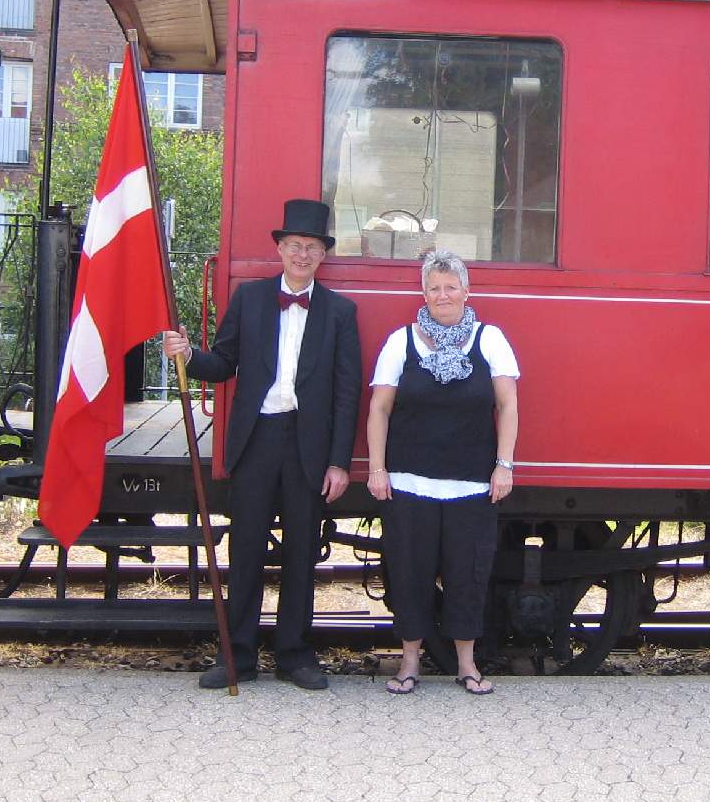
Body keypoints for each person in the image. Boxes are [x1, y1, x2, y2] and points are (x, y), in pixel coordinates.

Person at [164, 199, 361, 691]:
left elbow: (346, 391)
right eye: (294, 245)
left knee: (301, 553)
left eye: (311, 247)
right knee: (246, 550)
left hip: (307, 445)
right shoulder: (250, 299)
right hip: (256, 441)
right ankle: (238, 656)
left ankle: (295, 655)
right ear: (280, 248)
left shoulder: (340, 312)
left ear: (322, 255)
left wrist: (339, 461)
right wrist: (189, 354)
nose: (301, 254)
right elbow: (224, 364)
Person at [366, 249, 518, 695]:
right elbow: (379, 407)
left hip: (472, 484)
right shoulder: (401, 341)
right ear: (424, 292)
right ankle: (408, 664)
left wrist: (503, 466)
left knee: (467, 576)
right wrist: (378, 469)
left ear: (467, 292)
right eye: (434, 287)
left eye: (451, 286)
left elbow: (507, 405)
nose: (443, 294)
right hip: (409, 483)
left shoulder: (490, 339)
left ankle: (466, 665)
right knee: (409, 575)